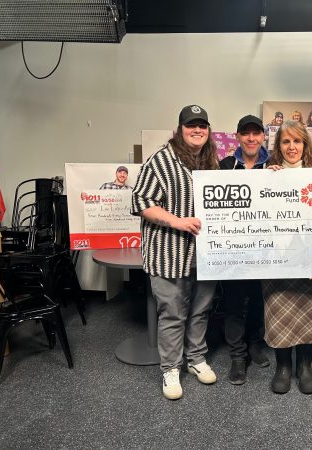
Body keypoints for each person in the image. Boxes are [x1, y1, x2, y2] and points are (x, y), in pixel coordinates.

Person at [131, 104, 219, 400]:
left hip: (204, 254)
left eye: (202, 125)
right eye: (191, 125)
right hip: (168, 252)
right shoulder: (160, 160)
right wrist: (177, 221)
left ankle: (196, 358)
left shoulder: (211, 162)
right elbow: (141, 202)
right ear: (180, 129)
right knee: (172, 312)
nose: (197, 130)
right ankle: (170, 368)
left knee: (200, 309)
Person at [264, 120, 312, 395]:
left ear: (305, 145)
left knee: (309, 310)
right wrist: (265, 179)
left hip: (309, 256)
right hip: (278, 256)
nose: (292, 147)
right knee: (278, 309)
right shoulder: (267, 175)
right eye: (286, 141)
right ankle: (283, 366)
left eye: (297, 141)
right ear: (278, 146)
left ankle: (305, 366)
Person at [219, 115, 270, 385]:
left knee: (260, 298)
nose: (251, 138)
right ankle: (238, 356)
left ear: (263, 136)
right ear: (237, 136)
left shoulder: (274, 166)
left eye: (256, 133)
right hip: (233, 248)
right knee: (234, 301)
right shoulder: (224, 166)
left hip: (265, 247)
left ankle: (255, 344)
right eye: (246, 133)